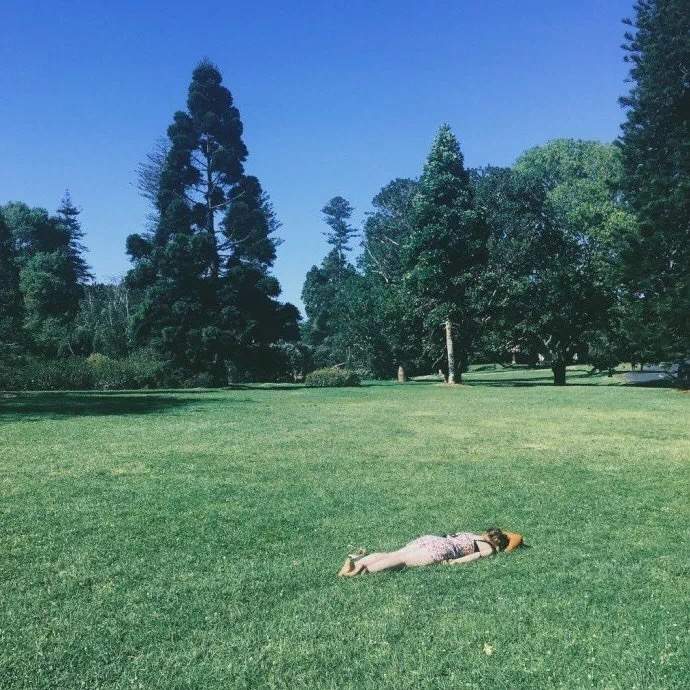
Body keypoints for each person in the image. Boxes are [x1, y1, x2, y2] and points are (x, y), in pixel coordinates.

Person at [338, 527, 525, 576]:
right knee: (402, 561)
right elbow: (475, 556)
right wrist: (454, 562)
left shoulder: (472, 534)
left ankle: (358, 563)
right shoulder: (489, 548)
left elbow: (511, 534)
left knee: (392, 554)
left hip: (432, 539)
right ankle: (360, 572)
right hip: (443, 549)